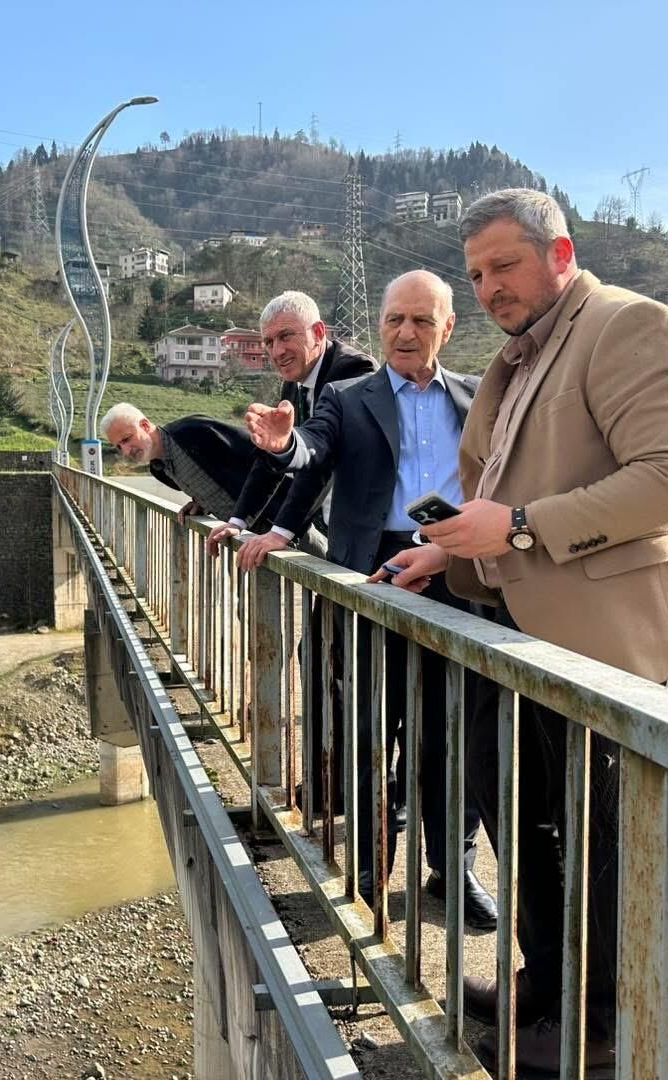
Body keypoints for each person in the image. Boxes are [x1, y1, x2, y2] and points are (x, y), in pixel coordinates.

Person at [371, 190, 668, 1076]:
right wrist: (450, 551)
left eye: (504, 265)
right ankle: (550, 983)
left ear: (560, 253)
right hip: (522, 630)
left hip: (598, 639)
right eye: (476, 275)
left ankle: (602, 1026)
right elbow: (510, 492)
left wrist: (515, 528)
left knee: (591, 836)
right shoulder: (518, 358)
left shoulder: (628, 324)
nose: (489, 288)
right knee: (518, 808)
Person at [242, 270, 496, 926]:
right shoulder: (348, 396)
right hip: (374, 575)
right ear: (380, 327)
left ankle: (453, 868)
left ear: (447, 327)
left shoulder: (478, 396)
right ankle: (366, 866)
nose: (405, 333)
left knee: (454, 734)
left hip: (457, 572)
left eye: (421, 320)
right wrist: (285, 444)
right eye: (393, 320)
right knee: (367, 728)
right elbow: (313, 450)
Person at [206, 290, 377, 561]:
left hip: (371, 534)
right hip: (332, 527)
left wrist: (280, 532)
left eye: (286, 336)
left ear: (318, 333)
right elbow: (270, 459)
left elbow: (323, 457)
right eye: (269, 342)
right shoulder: (294, 383)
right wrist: (237, 522)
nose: (277, 351)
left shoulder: (354, 371)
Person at [100, 403, 290, 529]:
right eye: (119, 446)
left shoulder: (194, 431)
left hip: (286, 520)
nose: (126, 451)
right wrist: (201, 502)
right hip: (249, 539)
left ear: (145, 425)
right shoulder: (159, 470)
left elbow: (262, 452)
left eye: (127, 439)